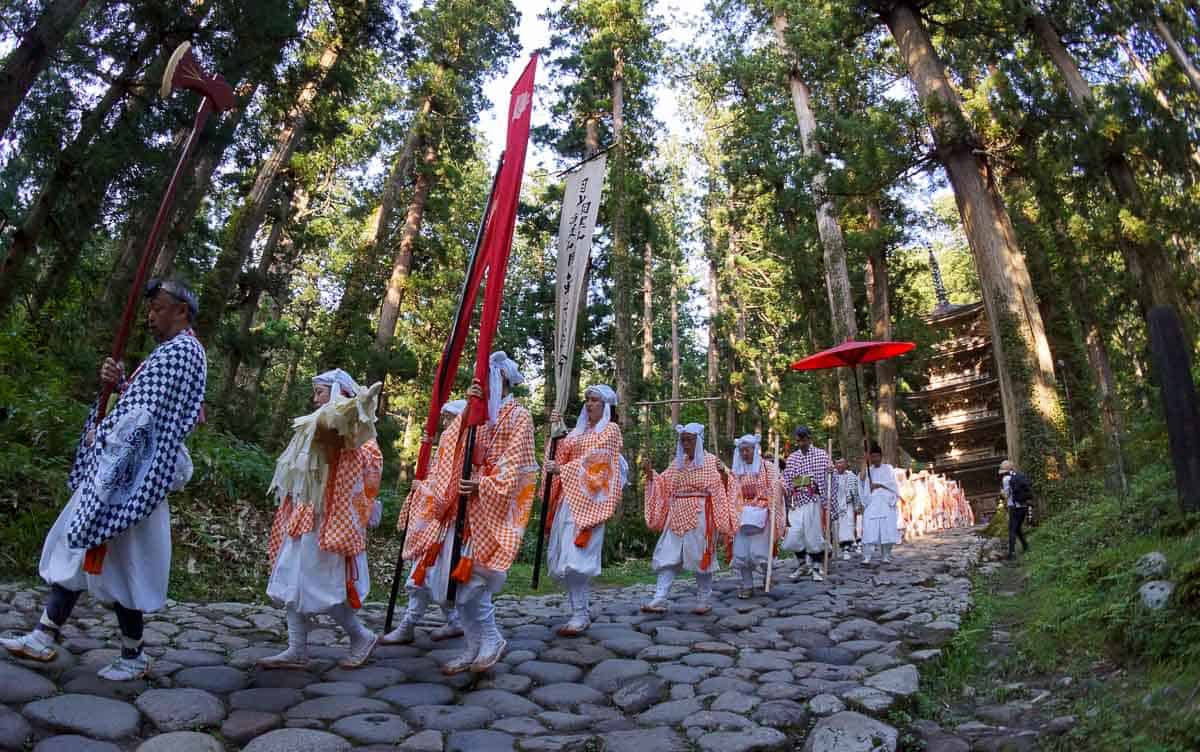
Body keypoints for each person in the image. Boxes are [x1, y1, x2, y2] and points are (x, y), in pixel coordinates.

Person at [1, 279, 206, 681]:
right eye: (149, 308)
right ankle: (45, 634)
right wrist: (119, 383)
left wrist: (111, 429)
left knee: (124, 565)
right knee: (76, 546)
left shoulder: (184, 353)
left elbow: (150, 419)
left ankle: (134, 654)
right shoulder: (168, 353)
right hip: (117, 471)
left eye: (158, 307)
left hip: (134, 478)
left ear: (181, 311)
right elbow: (139, 403)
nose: (150, 315)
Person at [383, 352, 538, 674]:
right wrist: (470, 409)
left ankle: (491, 640)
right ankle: (472, 646)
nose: (476, 385)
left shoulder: (519, 416)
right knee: (453, 584)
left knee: (474, 583)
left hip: (489, 509)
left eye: (484, 379)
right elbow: (451, 448)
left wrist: (485, 483)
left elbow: (517, 466)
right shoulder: (476, 416)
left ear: (501, 381)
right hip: (460, 509)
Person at [259, 369, 384, 670]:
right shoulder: (314, 428)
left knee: (324, 586)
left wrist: (343, 435)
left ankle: (361, 636)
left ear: (338, 394)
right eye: (314, 392)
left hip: (332, 523)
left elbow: (367, 472)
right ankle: (296, 649)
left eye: (320, 392)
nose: (314, 399)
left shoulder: (361, 439)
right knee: (293, 581)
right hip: (306, 519)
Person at [543, 385, 627, 635]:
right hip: (568, 500)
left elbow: (599, 460)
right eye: (587, 400)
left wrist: (564, 470)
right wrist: (557, 432)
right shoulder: (579, 432)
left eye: (595, 400)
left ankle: (580, 614)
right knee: (566, 558)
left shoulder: (611, 430)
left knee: (576, 558)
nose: (589, 404)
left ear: (606, 406)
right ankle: (579, 611)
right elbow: (560, 455)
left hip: (592, 501)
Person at [384, 399, 467, 645]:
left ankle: (450, 622)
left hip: (446, 524)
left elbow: (447, 490)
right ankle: (413, 623)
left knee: (436, 577)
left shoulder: (461, 449)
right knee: (421, 576)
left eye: (449, 418)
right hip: (431, 523)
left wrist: (424, 489)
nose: (444, 423)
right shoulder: (444, 447)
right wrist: (421, 487)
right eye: (443, 417)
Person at [642, 423, 732, 614]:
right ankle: (659, 597)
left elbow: (727, 487)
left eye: (689, 440)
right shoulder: (677, 463)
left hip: (701, 514)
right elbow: (663, 483)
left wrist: (724, 474)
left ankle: (703, 599)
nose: (685, 444)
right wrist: (651, 474)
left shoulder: (711, 462)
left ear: (698, 441)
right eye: (683, 440)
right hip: (676, 514)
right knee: (668, 554)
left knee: (702, 558)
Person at [728, 434, 785, 598]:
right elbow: (731, 489)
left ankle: (768, 573)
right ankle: (747, 585)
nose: (744, 453)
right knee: (741, 551)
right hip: (742, 513)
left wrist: (777, 486)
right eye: (742, 450)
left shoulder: (768, 467)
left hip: (762, 513)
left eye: (747, 450)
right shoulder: (737, 471)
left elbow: (781, 484)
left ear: (755, 450)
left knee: (759, 551)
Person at [781, 426, 831, 582]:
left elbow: (827, 478)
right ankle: (803, 564)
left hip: (812, 500)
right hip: (796, 501)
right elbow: (788, 479)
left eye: (803, 440)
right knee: (793, 535)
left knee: (813, 534)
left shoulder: (821, 455)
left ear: (809, 439)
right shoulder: (793, 458)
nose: (801, 443)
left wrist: (830, 472)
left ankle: (816, 567)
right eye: (798, 440)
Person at [860, 443, 900, 565]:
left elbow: (893, 485)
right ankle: (867, 556)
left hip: (885, 502)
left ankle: (886, 555)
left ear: (881, 456)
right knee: (869, 529)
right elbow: (861, 479)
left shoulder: (888, 468)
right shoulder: (868, 470)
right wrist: (864, 461)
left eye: (877, 456)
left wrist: (879, 484)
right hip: (872, 503)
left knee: (886, 530)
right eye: (873, 457)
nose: (875, 459)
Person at [999, 459, 1031, 560]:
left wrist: (1002, 494)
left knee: (1012, 530)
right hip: (1024, 506)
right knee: (1017, 528)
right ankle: (1025, 546)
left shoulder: (1006, 479)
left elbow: (1006, 495)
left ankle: (1011, 553)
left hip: (1014, 507)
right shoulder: (1019, 476)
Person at [831, 458, 860, 561]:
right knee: (836, 527)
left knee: (847, 526)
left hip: (848, 504)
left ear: (846, 464)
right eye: (837, 462)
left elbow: (856, 492)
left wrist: (857, 505)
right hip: (834, 505)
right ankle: (836, 549)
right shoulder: (831, 476)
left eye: (842, 462)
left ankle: (846, 548)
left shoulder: (851, 476)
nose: (840, 465)